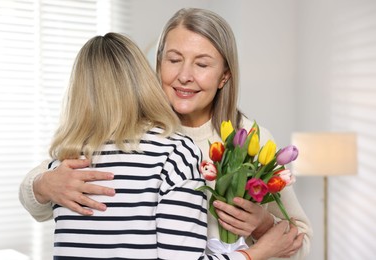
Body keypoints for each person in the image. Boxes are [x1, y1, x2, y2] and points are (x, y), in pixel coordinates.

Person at [20, 8, 312, 260]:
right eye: (174, 60)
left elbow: (300, 243)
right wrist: (45, 184)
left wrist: (261, 225)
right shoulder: (126, 128)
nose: (185, 75)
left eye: (202, 64)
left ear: (224, 75)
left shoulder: (249, 140)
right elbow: (39, 193)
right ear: (157, 64)